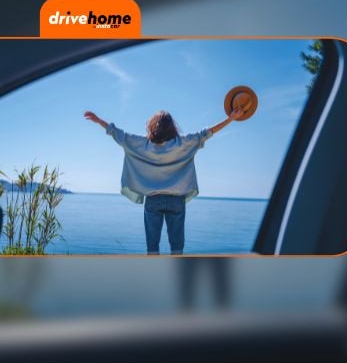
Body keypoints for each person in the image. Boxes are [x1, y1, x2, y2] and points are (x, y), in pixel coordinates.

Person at [84, 109, 244, 255]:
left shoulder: (143, 144)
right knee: (177, 248)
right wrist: (230, 118)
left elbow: (118, 134)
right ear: (172, 127)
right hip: (176, 200)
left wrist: (99, 121)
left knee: (152, 248)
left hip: (153, 200)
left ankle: (154, 279)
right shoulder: (183, 143)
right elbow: (207, 133)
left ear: (152, 127)